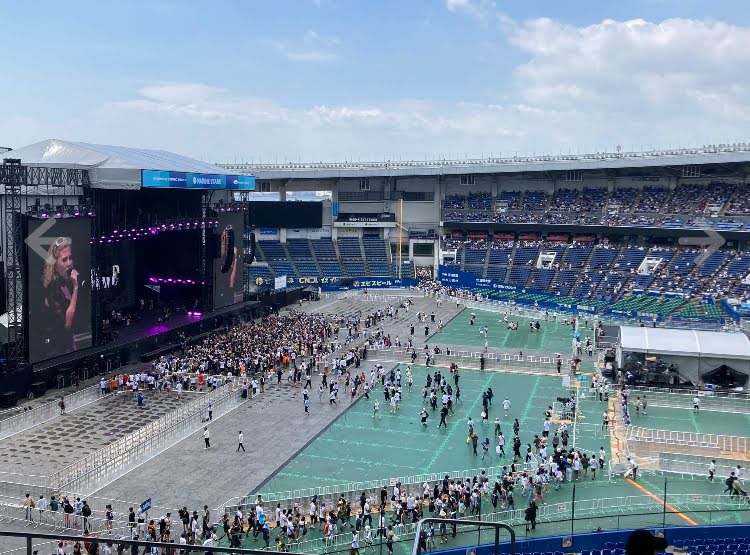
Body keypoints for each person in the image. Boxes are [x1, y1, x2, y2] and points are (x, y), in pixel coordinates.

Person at [40, 236, 82, 357]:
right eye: (64, 260)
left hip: (68, 347)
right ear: (54, 264)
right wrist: (76, 288)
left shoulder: (66, 282)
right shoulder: (52, 288)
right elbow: (66, 325)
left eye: (70, 258)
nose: (69, 263)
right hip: (56, 352)